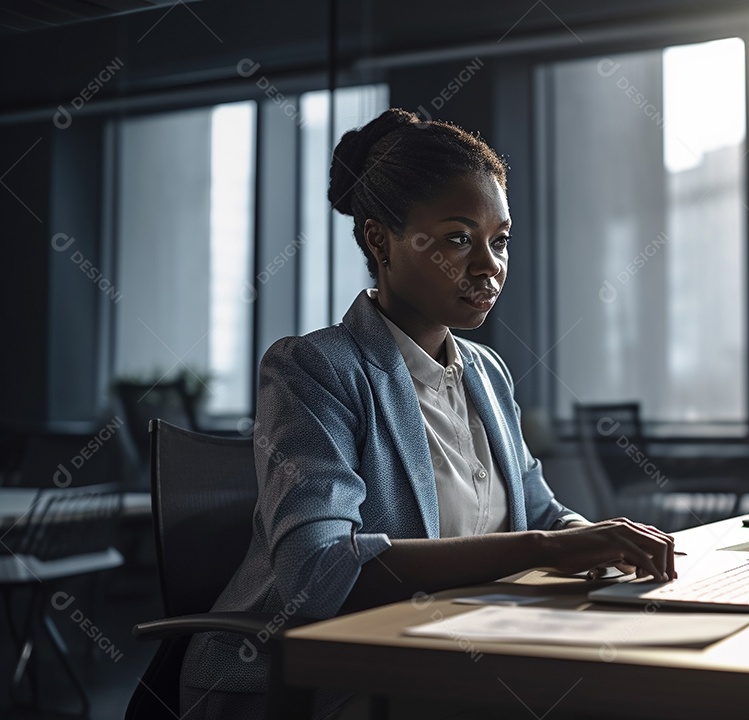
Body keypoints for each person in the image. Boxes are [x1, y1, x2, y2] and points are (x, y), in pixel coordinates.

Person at [179, 108, 675, 719]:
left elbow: (539, 512)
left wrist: (591, 542)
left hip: (460, 657)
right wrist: (543, 549)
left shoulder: (487, 374)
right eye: (458, 239)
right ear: (378, 240)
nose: (489, 265)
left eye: (500, 240)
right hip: (315, 682)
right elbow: (318, 571)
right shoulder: (315, 368)